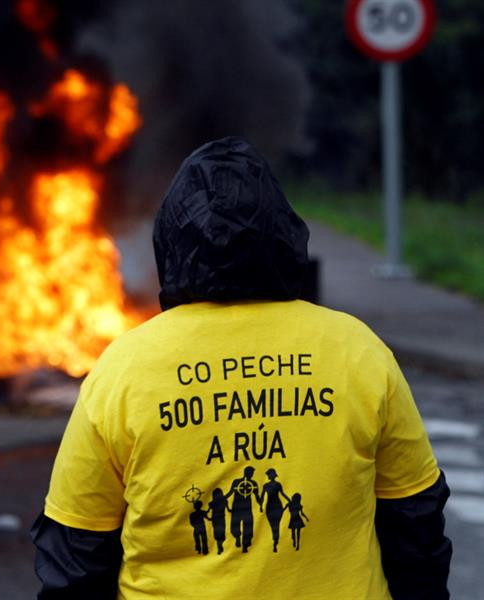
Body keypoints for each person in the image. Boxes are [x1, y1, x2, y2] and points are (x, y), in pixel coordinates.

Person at [32, 137, 451, 599]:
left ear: (171, 239)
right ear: (285, 232)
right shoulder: (358, 351)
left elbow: (75, 555)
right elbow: (417, 529)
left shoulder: (123, 369)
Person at [259, 468, 289, 552]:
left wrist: (289, 500)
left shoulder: (277, 485)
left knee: (276, 525)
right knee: (274, 525)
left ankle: (275, 542)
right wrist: (260, 506)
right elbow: (262, 497)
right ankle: (275, 541)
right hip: (270, 507)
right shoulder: (266, 486)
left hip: (277, 506)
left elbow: (282, 494)